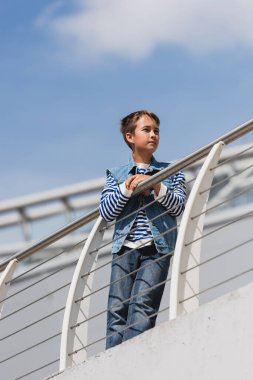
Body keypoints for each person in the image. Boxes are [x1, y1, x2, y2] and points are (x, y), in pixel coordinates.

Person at [99, 110, 186, 349]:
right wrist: (127, 189)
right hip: (124, 249)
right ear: (130, 137)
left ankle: (133, 360)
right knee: (117, 311)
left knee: (143, 304)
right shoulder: (115, 175)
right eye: (146, 130)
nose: (153, 135)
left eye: (156, 130)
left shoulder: (173, 171)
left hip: (158, 247)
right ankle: (113, 365)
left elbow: (179, 207)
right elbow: (107, 212)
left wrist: (157, 187)